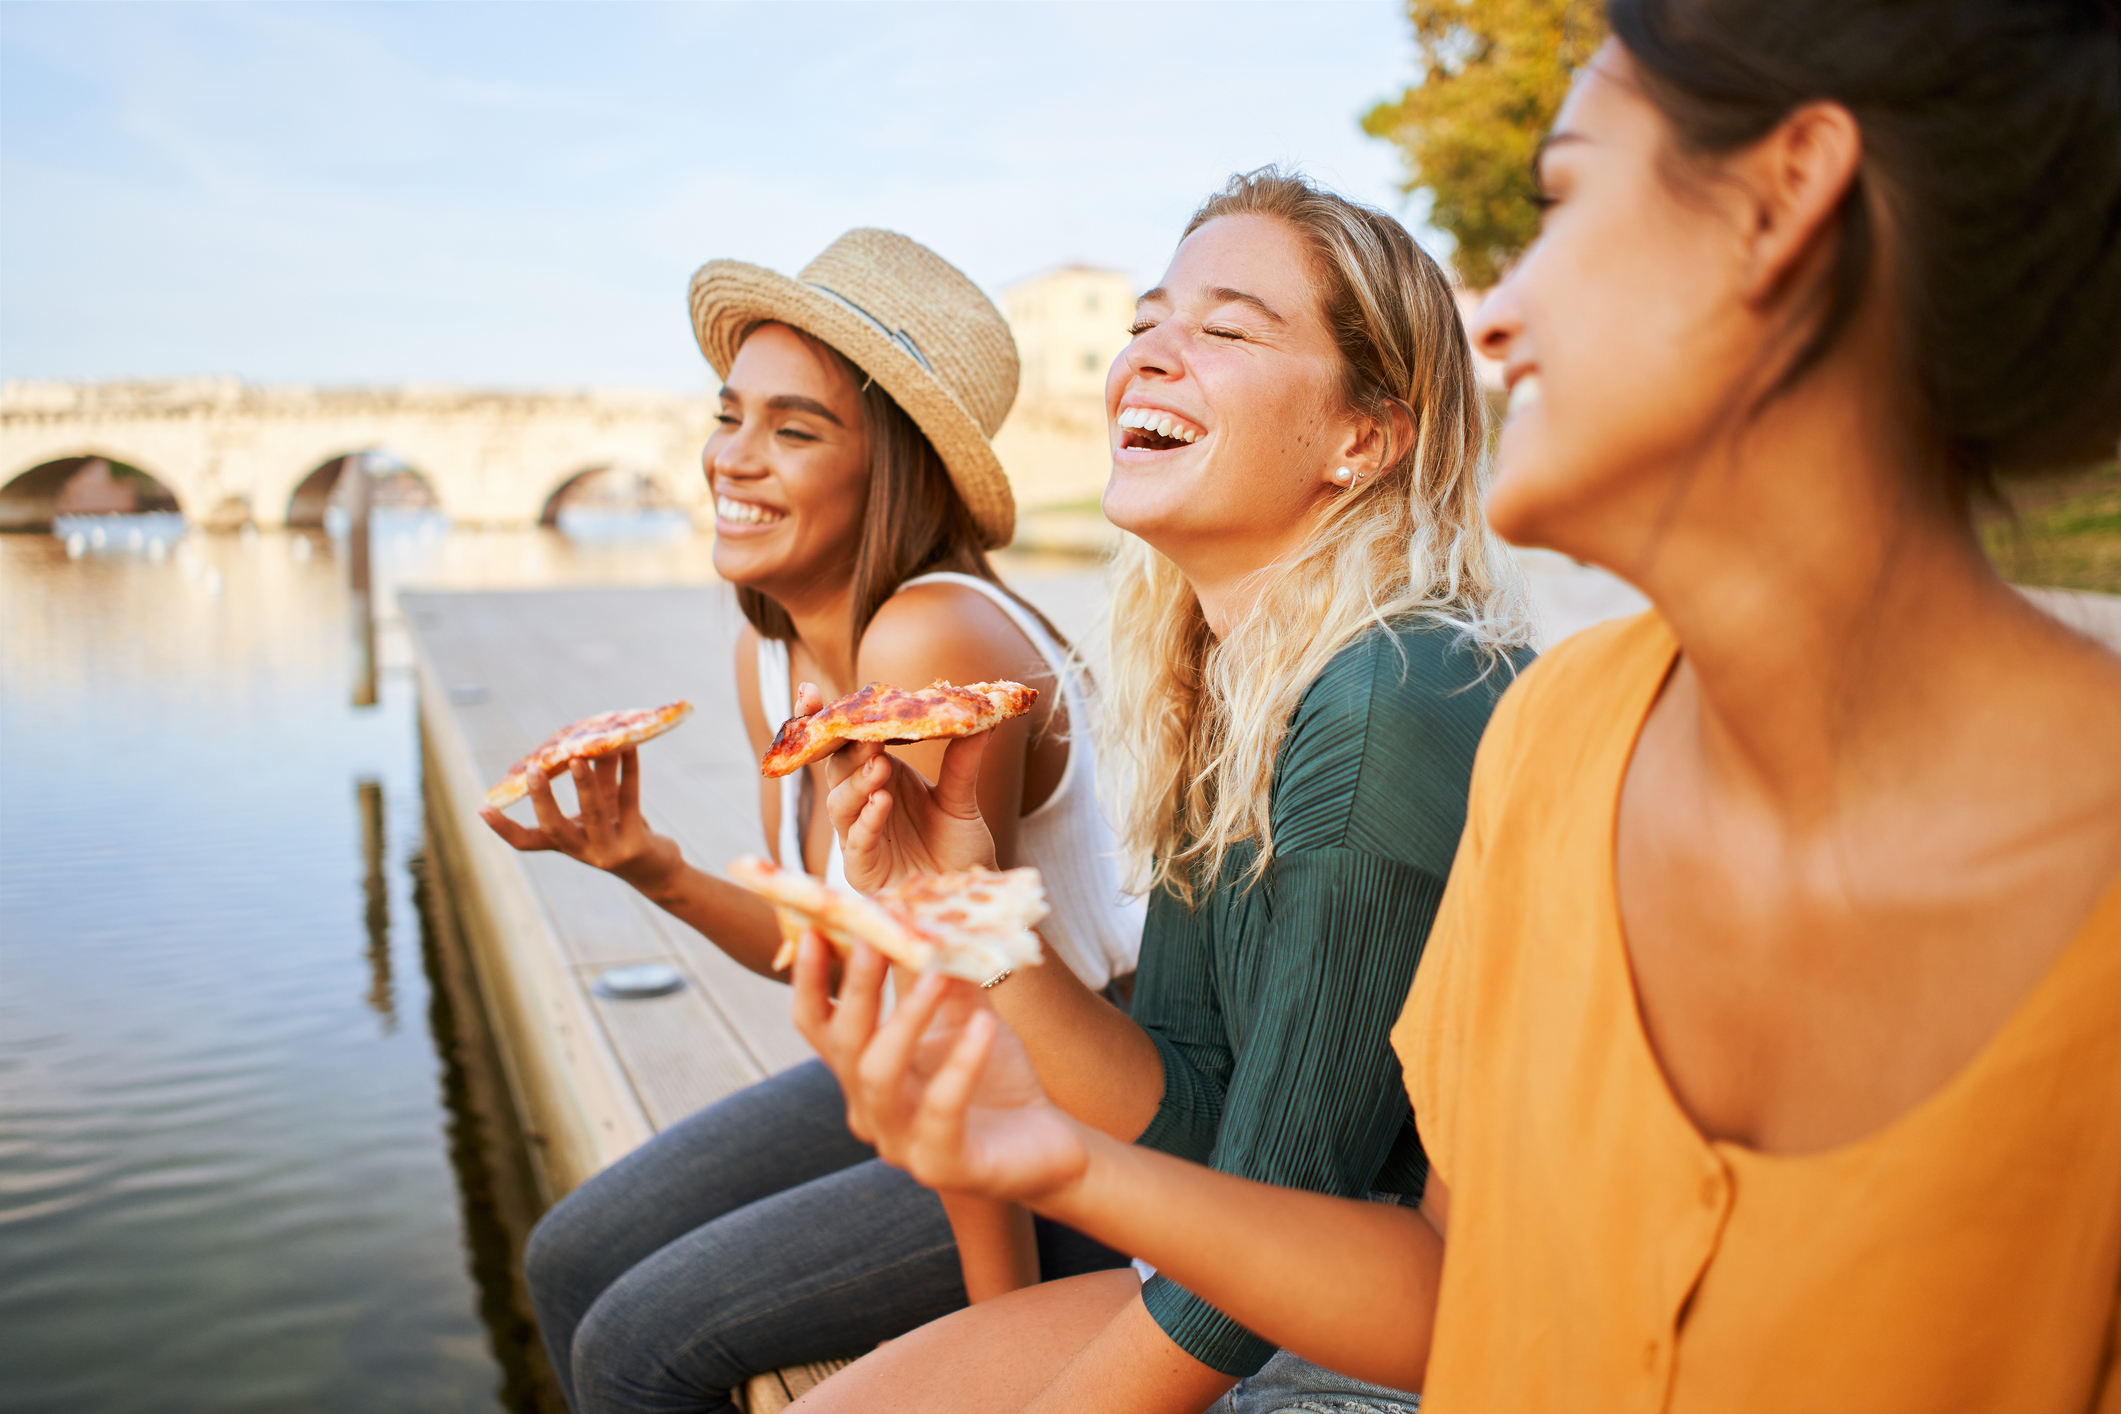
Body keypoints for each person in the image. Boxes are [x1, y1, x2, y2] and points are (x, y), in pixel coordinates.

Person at [816, 2, 2121, 1410]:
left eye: (1560, 201)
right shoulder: (1559, 741)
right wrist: (1053, 1140)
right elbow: (1449, 1288)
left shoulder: (1420, 698)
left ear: (1783, 203)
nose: (1493, 313)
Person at [793, 168, 1535, 1413]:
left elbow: (1274, 1238)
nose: (1149, 354)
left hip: (1447, 1354)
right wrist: (971, 911)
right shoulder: (1236, 680)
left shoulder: (1385, 705)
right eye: (1145, 320)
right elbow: (1194, 1114)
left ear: (1367, 435)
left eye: (1227, 328)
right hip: (1276, 1291)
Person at [479, 228, 1142, 1414]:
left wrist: (1000, 1343)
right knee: (568, 1256)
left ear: (891, 469)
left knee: (638, 1346)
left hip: (1073, 1114)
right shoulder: (769, 655)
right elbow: (834, 942)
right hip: (923, 1062)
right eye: (729, 415)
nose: (733, 459)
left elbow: (968, 1018)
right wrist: (649, 865)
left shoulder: (934, 644)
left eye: (793, 429)